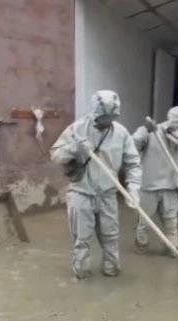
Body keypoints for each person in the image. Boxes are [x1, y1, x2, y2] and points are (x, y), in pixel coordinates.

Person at [50, 90, 142, 279]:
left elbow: (133, 163)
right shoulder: (77, 129)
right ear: (96, 112)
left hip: (108, 194)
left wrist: (133, 188)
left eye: (112, 117)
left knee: (111, 237)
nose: (108, 121)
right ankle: (81, 273)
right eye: (104, 117)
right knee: (81, 238)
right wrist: (75, 148)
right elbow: (56, 155)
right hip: (81, 192)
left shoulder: (121, 133)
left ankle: (111, 270)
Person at [133, 106, 178, 254]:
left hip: (171, 186)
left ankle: (172, 247)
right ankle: (141, 242)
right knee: (145, 220)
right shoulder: (152, 132)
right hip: (149, 185)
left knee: (171, 220)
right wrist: (144, 130)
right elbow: (132, 145)